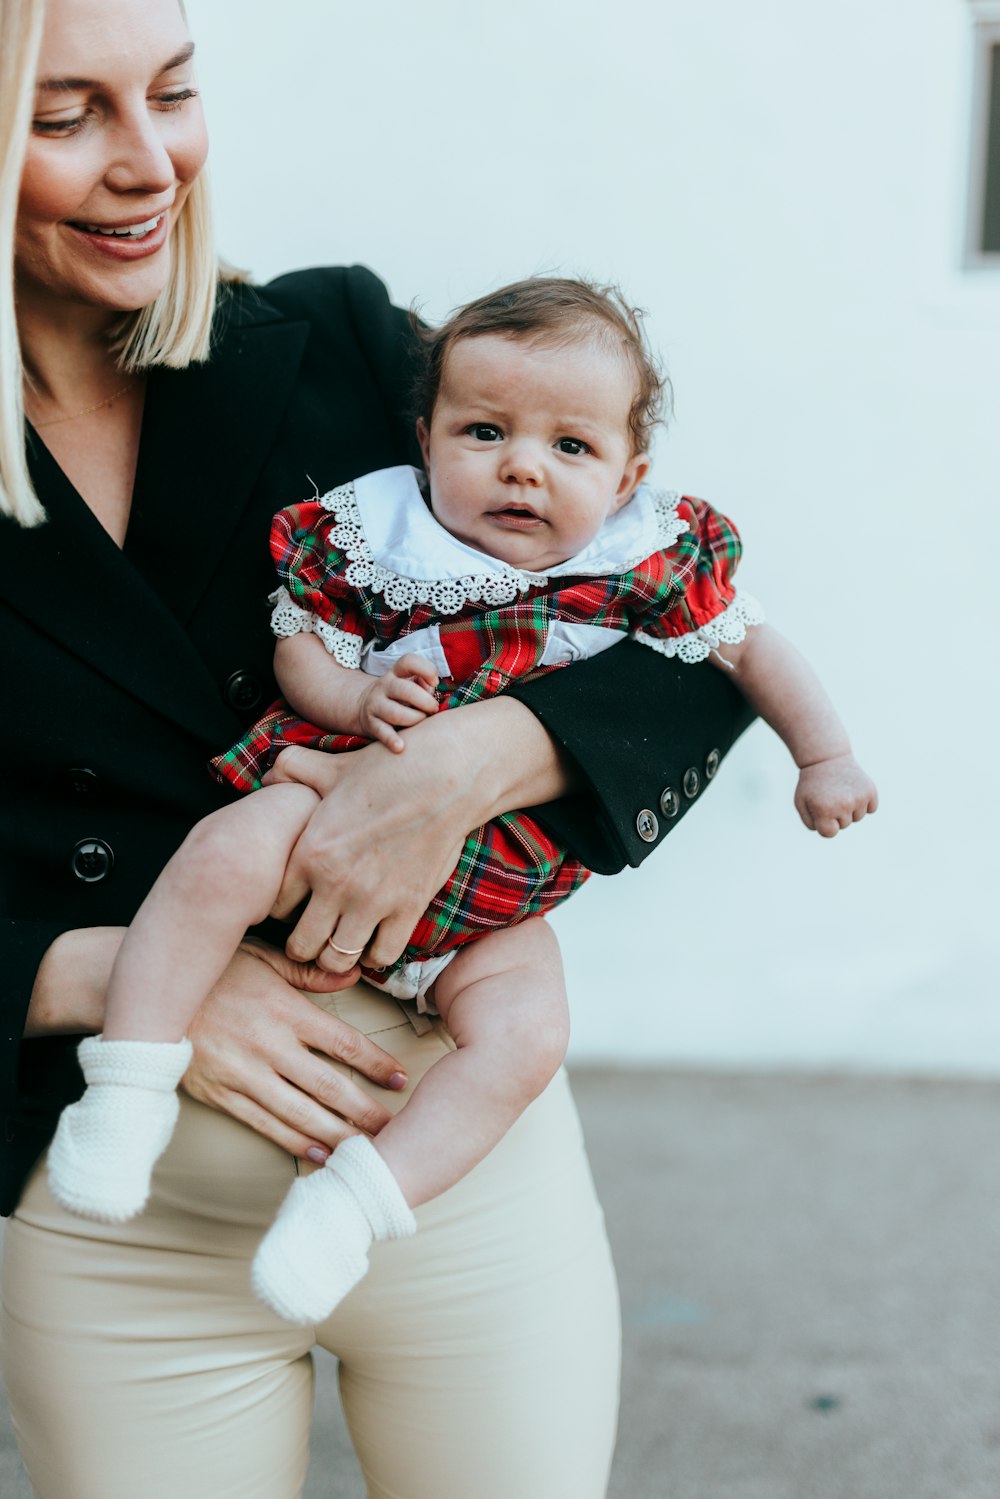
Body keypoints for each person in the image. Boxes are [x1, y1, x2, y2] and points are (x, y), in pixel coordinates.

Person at [0, 0, 758, 1495]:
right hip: (111, 1230)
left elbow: (690, 633)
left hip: (455, 1186)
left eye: (174, 91)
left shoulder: (337, 342)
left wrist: (478, 760)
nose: (150, 163)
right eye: (64, 114)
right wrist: (99, 972)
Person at [45, 273, 877, 1328]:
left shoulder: (644, 558)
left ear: (631, 474)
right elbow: (303, 645)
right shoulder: (382, 535)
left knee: (526, 1034)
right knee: (220, 853)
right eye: (484, 430)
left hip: (498, 885)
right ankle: (129, 1081)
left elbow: (749, 650)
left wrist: (827, 754)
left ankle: (357, 1204)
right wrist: (356, 693)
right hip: (330, 798)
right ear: (428, 435)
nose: (522, 464)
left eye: (570, 447)